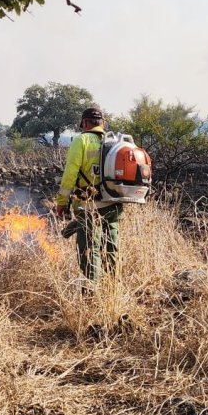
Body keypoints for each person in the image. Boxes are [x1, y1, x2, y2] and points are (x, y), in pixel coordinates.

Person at [55, 104, 124, 285]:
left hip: (89, 205)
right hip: (114, 204)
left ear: (85, 123)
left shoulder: (81, 140)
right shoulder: (116, 141)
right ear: (102, 123)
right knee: (111, 249)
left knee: (90, 250)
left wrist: (61, 202)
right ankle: (112, 290)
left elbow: (70, 175)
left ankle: (91, 298)